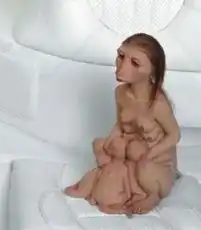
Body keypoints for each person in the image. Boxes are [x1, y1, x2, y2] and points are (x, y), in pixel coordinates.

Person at [65, 33, 180, 215]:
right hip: (130, 147)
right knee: (99, 145)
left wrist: (151, 154)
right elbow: (120, 124)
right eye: (121, 56)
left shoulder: (157, 104)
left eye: (135, 63)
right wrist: (111, 141)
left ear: (152, 71)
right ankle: (108, 180)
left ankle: (152, 194)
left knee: (142, 166)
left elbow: (174, 135)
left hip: (153, 158)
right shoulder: (120, 93)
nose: (121, 65)